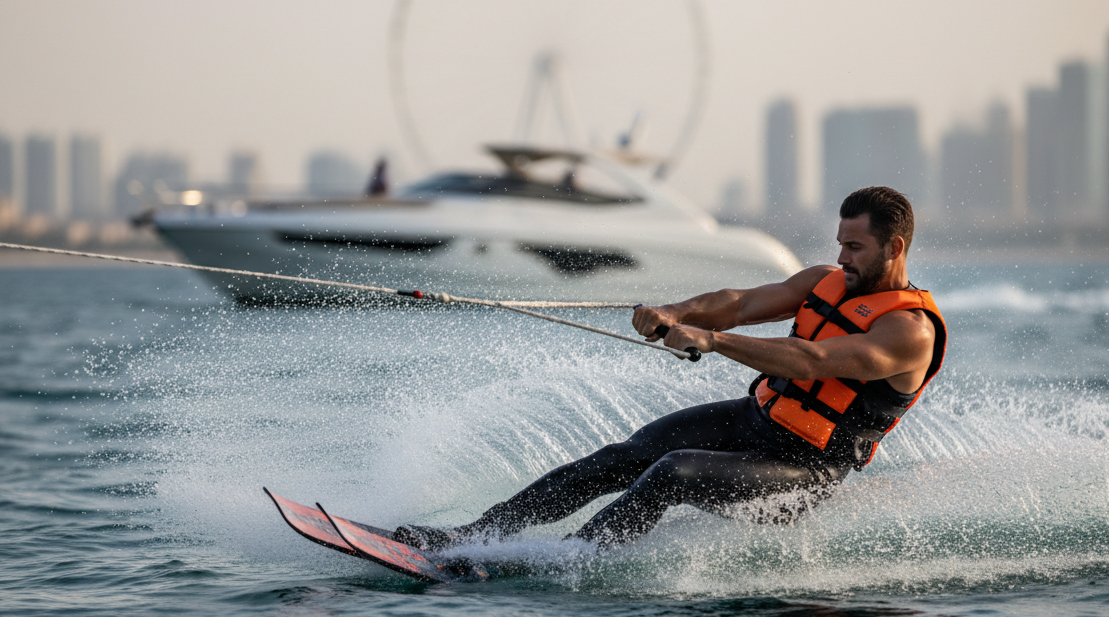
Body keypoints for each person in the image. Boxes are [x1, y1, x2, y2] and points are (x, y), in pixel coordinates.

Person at [394, 186, 948, 550]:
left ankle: (571, 562)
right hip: (757, 424)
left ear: (894, 246)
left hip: (804, 473)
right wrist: (676, 312)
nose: (843, 257)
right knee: (625, 456)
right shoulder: (823, 280)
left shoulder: (909, 332)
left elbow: (814, 360)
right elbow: (740, 302)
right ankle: (470, 537)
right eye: (840, 244)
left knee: (672, 471)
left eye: (855, 247)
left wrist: (709, 339)